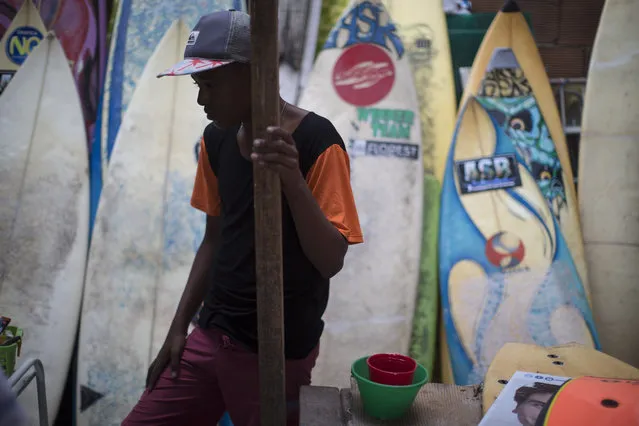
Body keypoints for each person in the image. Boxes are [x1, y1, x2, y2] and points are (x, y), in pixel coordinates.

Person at [122, 9, 363, 426]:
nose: (201, 100)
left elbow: (330, 260)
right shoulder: (215, 140)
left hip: (276, 351)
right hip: (211, 333)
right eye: (199, 85)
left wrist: (291, 178)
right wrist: (178, 327)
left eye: (210, 84)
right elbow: (214, 240)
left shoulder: (317, 142)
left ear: (255, 74)